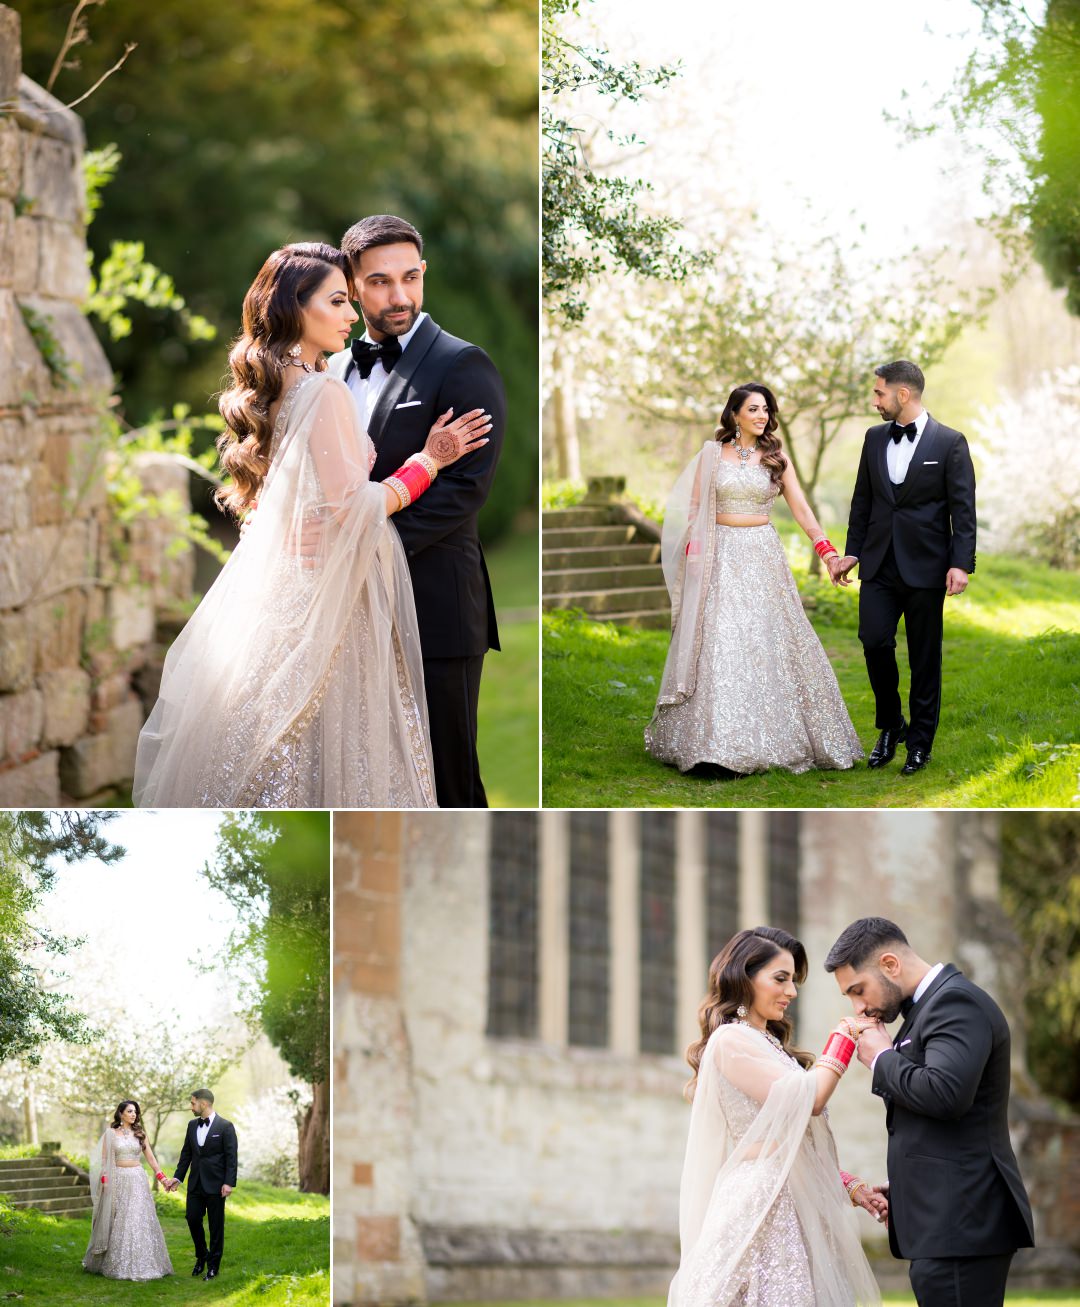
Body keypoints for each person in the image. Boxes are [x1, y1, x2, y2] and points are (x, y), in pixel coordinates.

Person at [133, 241, 491, 808]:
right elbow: (354, 507)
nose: (353, 315)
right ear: (297, 308)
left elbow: (288, 495)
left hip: (296, 592)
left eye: (351, 301)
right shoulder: (324, 387)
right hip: (333, 599)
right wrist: (429, 461)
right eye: (339, 301)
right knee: (343, 748)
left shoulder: (275, 388)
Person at [326, 214, 506, 808]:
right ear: (351, 284)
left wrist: (367, 553)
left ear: (423, 273)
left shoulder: (462, 364)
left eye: (409, 278)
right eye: (379, 282)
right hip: (350, 611)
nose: (398, 296)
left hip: (437, 610)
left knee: (448, 778)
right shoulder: (334, 368)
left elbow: (465, 490)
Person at [646, 382, 863, 776]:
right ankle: (712, 747)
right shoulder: (712, 455)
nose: (762, 416)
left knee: (764, 639)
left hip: (762, 555)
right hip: (719, 554)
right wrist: (693, 555)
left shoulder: (776, 458)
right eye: (753, 409)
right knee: (720, 640)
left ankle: (764, 740)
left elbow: (801, 508)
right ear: (734, 415)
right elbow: (693, 509)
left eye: (766, 409)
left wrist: (827, 552)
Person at [668, 926, 885, 1307]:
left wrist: (847, 1183)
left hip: (789, 1200)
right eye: (780, 979)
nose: (791, 992)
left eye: (794, 981)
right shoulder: (730, 1040)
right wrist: (845, 1035)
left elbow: (789, 1138)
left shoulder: (768, 1045)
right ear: (743, 977)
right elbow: (810, 1099)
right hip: (762, 1207)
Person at [826, 917, 1034, 1307]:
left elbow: (945, 1094)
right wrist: (909, 1183)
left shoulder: (956, 1002)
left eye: (859, 990)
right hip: (947, 1221)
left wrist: (881, 1059)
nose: (859, 1006)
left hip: (961, 1224)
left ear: (890, 965)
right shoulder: (926, 1010)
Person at [830, 361, 976, 775]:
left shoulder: (950, 443)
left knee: (924, 657)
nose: (874, 400)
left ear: (903, 395)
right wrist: (852, 552)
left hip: (927, 567)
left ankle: (920, 743)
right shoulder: (874, 438)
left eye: (879, 393)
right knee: (873, 640)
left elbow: (963, 510)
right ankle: (892, 725)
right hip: (878, 564)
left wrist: (960, 563)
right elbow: (863, 502)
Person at [83, 1099, 173, 1280]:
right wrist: (105, 1181)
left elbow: (151, 1159)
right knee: (117, 1218)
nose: (134, 1115)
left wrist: (162, 1178)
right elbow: (104, 1161)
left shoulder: (140, 1134)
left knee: (136, 1217)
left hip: (137, 1179)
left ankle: (143, 1262)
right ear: (121, 1113)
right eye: (130, 1111)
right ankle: (113, 1261)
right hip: (117, 1179)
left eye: (135, 1112)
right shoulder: (110, 1134)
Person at [164, 1088, 238, 1282]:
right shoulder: (191, 1126)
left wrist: (229, 1183)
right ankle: (202, 1254)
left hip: (216, 1185)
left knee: (216, 1227)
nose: (191, 1107)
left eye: (193, 1103)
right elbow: (186, 1155)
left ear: (203, 1103)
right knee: (192, 1218)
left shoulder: (225, 1126)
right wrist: (177, 1179)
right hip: (195, 1183)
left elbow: (231, 1157)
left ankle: (213, 1267)